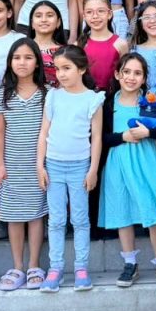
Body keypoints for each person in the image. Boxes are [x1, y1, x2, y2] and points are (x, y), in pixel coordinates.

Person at [101, 53, 156, 286]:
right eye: (127, 72)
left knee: (152, 209)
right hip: (118, 162)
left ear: (144, 78)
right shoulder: (109, 103)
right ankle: (130, 262)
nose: (131, 77)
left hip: (145, 161)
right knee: (122, 210)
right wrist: (122, 136)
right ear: (117, 75)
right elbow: (101, 137)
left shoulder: (151, 101)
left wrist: (149, 133)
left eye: (137, 73)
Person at [37, 46, 105, 292]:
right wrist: (40, 165)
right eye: (57, 69)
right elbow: (44, 132)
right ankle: (55, 268)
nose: (61, 74)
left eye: (67, 68)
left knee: (80, 219)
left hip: (80, 166)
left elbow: (96, 137)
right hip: (53, 165)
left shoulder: (93, 99)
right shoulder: (53, 96)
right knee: (56, 220)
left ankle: (81, 268)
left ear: (82, 69)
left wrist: (93, 169)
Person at [0, 38, 49, 291]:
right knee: (14, 217)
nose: (22, 62)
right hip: (12, 164)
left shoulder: (47, 93)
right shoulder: (2, 93)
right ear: (10, 62)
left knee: (36, 215)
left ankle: (34, 265)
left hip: (38, 164)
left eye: (28, 57)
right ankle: (17, 266)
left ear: (37, 61)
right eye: (17, 58)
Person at [80, 0, 128, 90]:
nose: (95, 16)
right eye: (89, 12)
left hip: (112, 97)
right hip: (87, 98)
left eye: (100, 11)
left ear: (109, 14)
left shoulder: (121, 44)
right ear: (84, 16)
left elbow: (124, 74)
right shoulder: (79, 45)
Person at [28, 0, 67, 89]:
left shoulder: (66, 52)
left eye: (49, 15)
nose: (44, 20)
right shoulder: (22, 48)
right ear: (32, 23)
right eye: (38, 16)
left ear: (58, 22)